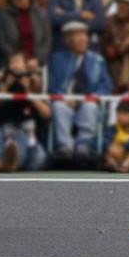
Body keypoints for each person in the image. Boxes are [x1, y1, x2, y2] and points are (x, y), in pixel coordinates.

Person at [48, 21, 113, 160]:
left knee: (90, 107)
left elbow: (106, 86)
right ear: (68, 40)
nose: (82, 40)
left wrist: (94, 96)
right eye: (77, 36)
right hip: (66, 100)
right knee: (58, 106)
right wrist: (63, 97)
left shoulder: (97, 60)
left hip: (88, 100)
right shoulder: (57, 59)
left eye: (84, 35)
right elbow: (52, 86)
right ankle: (65, 146)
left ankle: (84, 145)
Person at [0, 51, 49, 172]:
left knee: (38, 159)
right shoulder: (1, 82)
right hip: (3, 130)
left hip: (24, 131)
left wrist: (28, 90)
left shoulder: (33, 82)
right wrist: (6, 86)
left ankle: (12, 164)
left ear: (25, 66)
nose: (15, 65)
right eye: (12, 62)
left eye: (18, 62)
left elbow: (46, 113)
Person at [0, 0, 51, 70]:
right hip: (13, 65)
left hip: (36, 65)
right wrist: (17, 59)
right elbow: (2, 42)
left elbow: (47, 41)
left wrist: (38, 59)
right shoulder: (5, 15)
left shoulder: (40, 14)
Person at [102, 101, 129, 173]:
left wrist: (124, 148)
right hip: (117, 156)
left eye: (124, 114)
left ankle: (125, 167)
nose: (120, 116)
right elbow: (104, 139)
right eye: (118, 113)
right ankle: (114, 166)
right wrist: (110, 146)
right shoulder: (113, 128)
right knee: (107, 150)